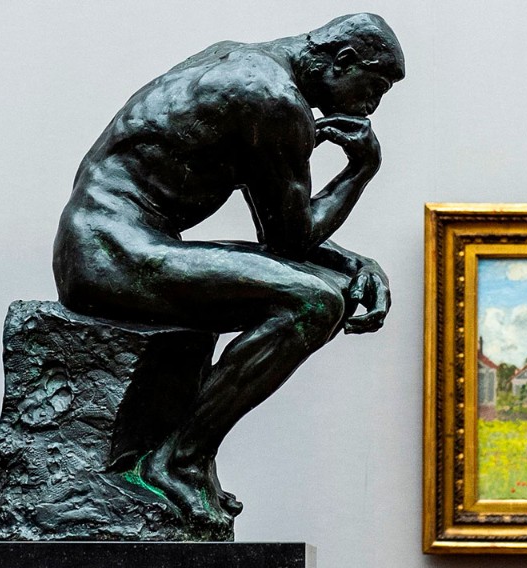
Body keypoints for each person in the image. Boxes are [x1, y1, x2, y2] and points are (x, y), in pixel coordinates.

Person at [52, 14, 404, 531]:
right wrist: (360, 170)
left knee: (323, 289)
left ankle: (180, 455)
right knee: (313, 304)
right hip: (108, 253)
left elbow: (281, 233)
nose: (372, 106)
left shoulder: (243, 61)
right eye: (374, 87)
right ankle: (179, 460)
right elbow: (290, 240)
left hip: (118, 241)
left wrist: (354, 263)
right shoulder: (272, 97)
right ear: (343, 60)